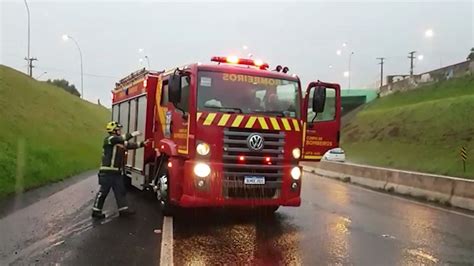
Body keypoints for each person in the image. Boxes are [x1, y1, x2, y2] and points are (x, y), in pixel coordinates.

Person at [91, 121, 149, 219]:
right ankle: (96, 211)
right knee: (103, 192)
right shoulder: (110, 139)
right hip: (107, 172)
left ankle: (123, 210)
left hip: (116, 172)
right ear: (114, 130)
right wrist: (134, 133)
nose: (120, 131)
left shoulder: (119, 141)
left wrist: (144, 143)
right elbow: (122, 138)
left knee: (120, 191)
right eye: (118, 129)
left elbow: (130, 145)